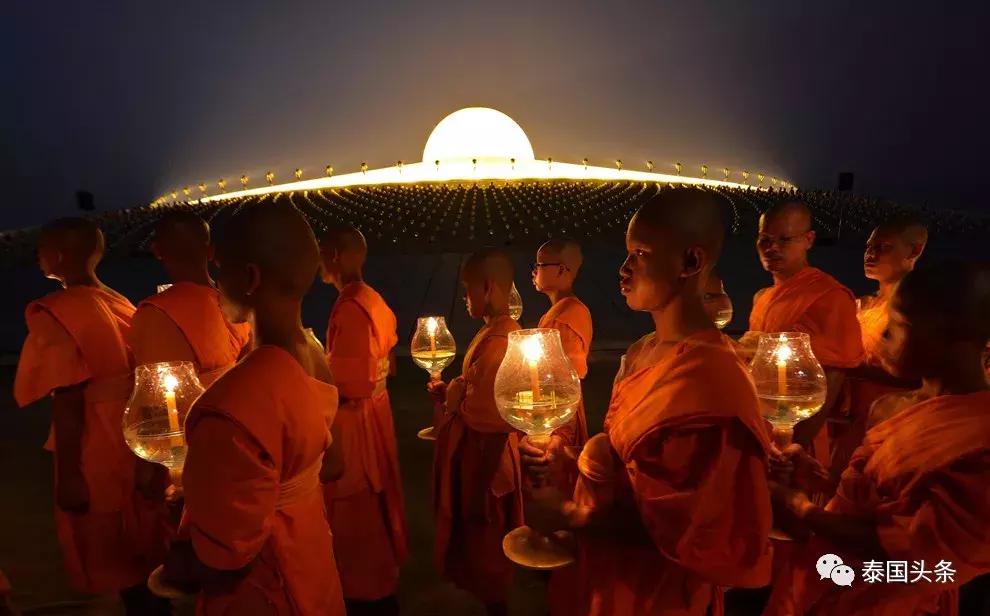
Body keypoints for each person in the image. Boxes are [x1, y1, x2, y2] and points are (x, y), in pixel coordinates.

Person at [522, 189, 774, 615]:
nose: (623, 268)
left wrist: (567, 514)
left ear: (690, 262)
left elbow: (688, 530)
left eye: (639, 254)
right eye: (627, 254)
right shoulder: (644, 350)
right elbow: (634, 466)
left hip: (654, 593)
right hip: (605, 572)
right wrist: (572, 459)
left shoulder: (711, 383)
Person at [765, 261, 990, 615]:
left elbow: (918, 556)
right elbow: (873, 498)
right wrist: (816, 479)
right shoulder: (891, 407)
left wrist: (801, 509)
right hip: (817, 581)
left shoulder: (979, 438)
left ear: (956, 335)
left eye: (900, 324)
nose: (883, 335)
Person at [159, 204, 346, 614]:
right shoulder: (315, 354)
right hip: (310, 551)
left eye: (220, 270)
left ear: (249, 278)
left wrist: (190, 524)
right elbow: (332, 464)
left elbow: (224, 560)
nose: (215, 285)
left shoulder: (234, 401)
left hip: (266, 581)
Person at [13, 218, 168, 614]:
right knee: (140, 536)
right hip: (134, 431)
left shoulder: (59, 311)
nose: (37, 256)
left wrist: (69, 475)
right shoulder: (121, 300)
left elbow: (68, 398)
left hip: (94, 440)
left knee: (112, 544)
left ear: (58, 256)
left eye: (41, 249)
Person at [318, 226, 407, 615]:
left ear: (336, 255)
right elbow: (389, 364)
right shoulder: (371, 299)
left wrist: (311, 371)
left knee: (358, 515)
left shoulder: (353, 306)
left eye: (321, 252)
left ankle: (368, 596)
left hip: (356, 425)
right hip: (376, 414)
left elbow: (352, 384)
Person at [429, 248, 522, 616]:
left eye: (468, 288)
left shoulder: (502, 339)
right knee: (477, 550)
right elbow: (475, 392)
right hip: (477, 454)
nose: (464, 297)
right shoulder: (492, 331)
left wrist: (479, 494)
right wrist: (451, 392)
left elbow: (490, 420)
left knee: (487, 549)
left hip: (487, 464)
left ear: (488, 287)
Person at [741, 201, 864, 471]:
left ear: (809, 240)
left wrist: (797, 445)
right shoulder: (762, 297)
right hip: (756, 423)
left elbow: (833, 377)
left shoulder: (829, 296)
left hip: (797, 430)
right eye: (765, 240)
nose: (772, 248)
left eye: (785, 239)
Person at [831, 215, 927, 471]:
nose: (870, 254)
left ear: (914, 251)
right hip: (843, 417)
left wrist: (845, 366)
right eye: (868, 247)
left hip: (893, 421)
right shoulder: (861, 306)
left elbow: (919, 373)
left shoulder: (922, 313)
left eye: (883, 247)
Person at [129, 211, 251, 386]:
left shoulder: (156, 315)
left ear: (157, 251)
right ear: (211, 252)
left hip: (202, 403)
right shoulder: (241, 300)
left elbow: (157, 391)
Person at [532, 238, 593, 448]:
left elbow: (564, 380)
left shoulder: (567, 314)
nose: (534, 271)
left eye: (539, 265)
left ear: (560, 270)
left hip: (559, 417)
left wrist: (559, 433)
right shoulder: (561, 311)